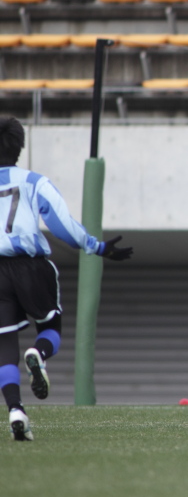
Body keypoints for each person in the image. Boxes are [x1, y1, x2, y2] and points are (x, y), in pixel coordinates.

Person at [0, 116, 132, 441]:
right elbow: (63, 225)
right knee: (50, 327)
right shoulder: (33, 181)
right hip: (30, 266)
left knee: (4, 346)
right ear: (20, 147)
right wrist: (97, 246)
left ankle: (16, 409)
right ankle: (40, 354)